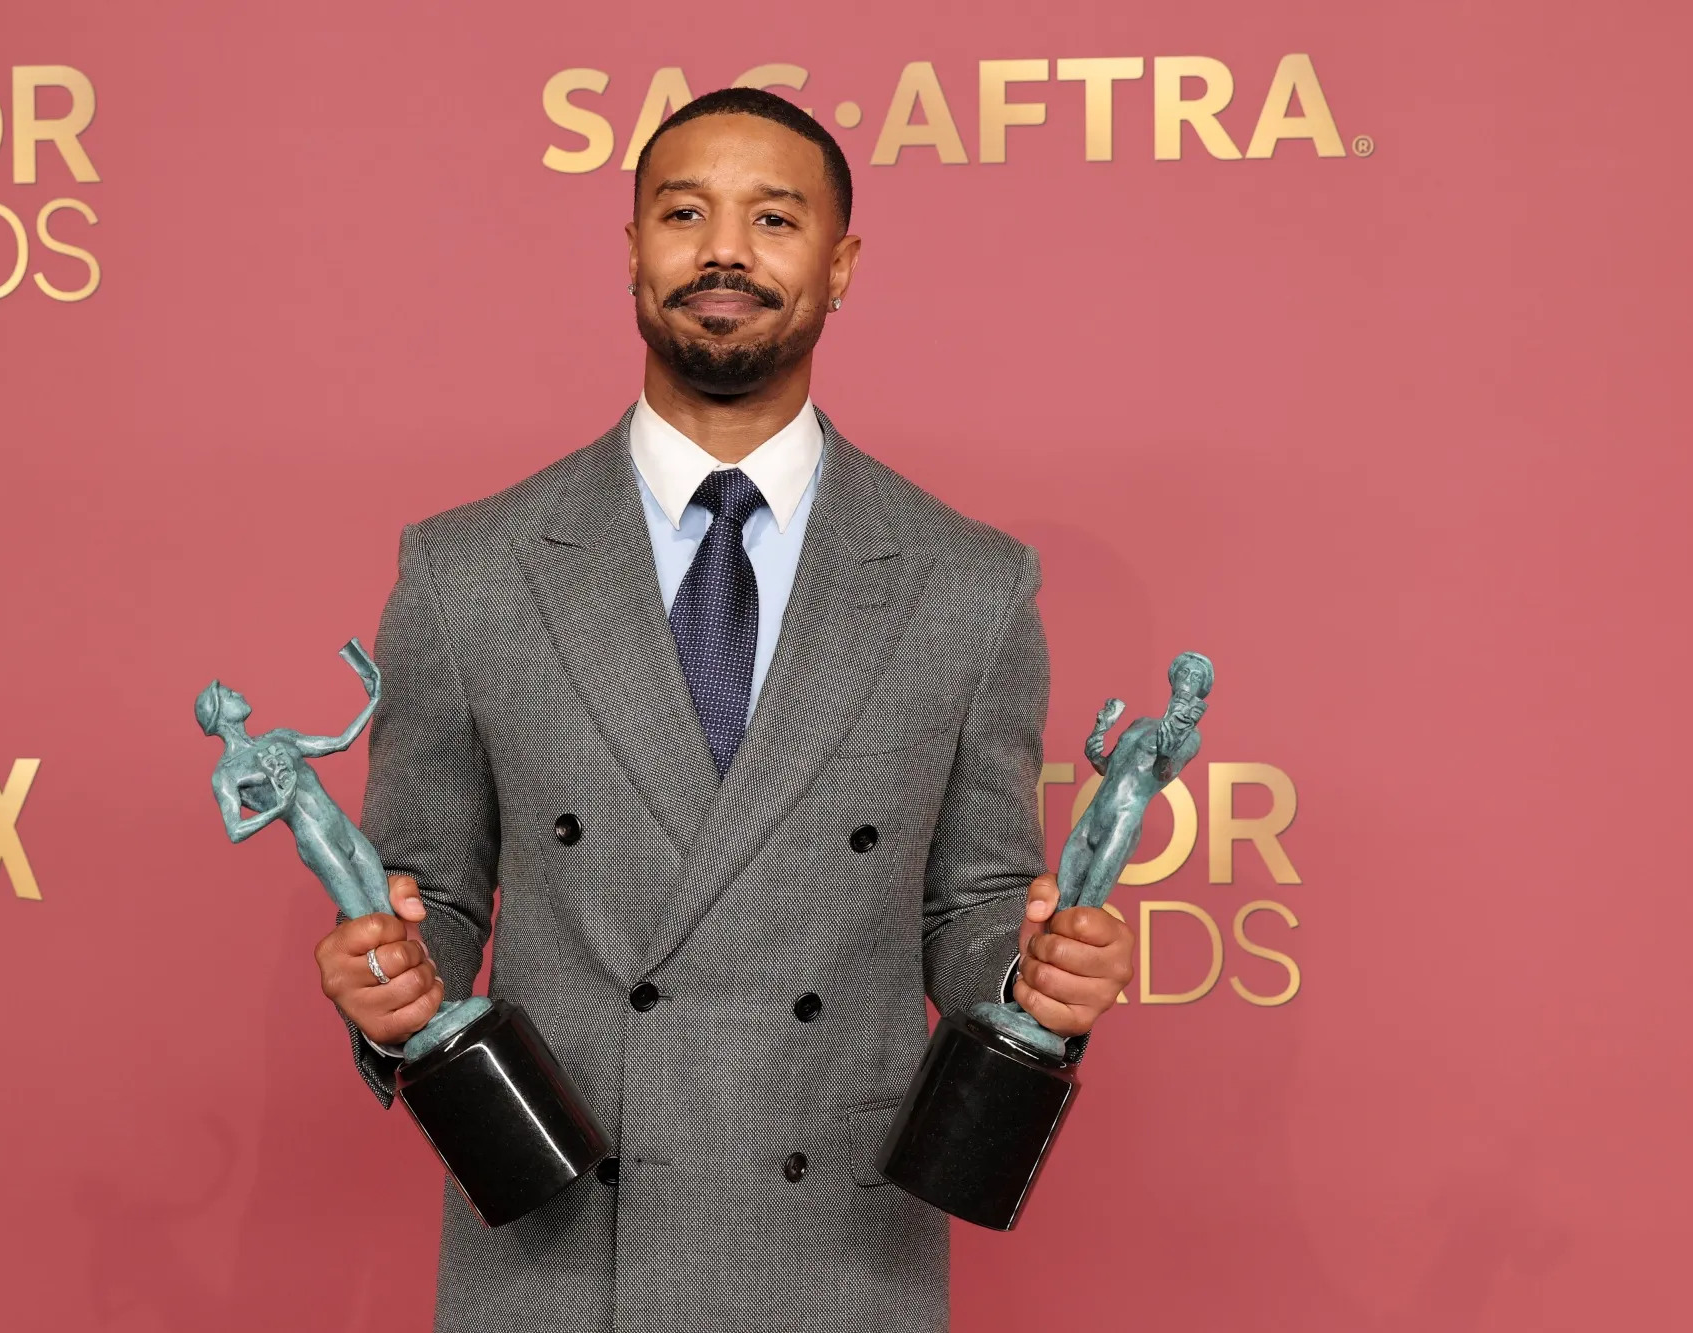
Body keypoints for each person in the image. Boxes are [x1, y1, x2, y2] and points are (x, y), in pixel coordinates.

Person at [312, 87, 1136, 1333]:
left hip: (835, 1254)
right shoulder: (466, 571)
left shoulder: (966, 584)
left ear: (838, 265)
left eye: (774, 219)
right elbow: (429, 892)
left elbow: (969, 904)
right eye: (684, 213)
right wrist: (386, 980)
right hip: (561, 1245)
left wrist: (1034, 974)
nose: (724, 252)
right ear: (631, 249)